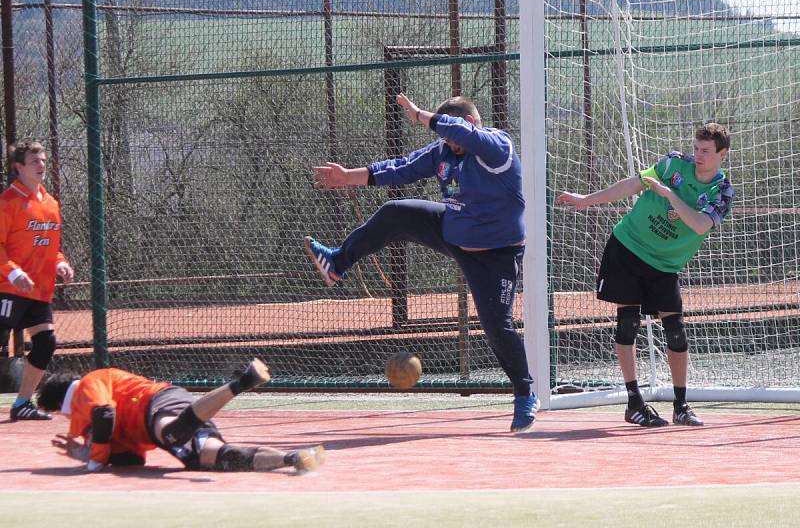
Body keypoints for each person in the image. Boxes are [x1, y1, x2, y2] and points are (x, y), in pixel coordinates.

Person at [304, 93, 537, 433]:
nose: (447, 143)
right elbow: (399, 168)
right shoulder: (442, 151)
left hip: (496, 254)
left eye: (450, 135)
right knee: (394, 212)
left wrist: (419, 116)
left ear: (469, 124)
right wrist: (347, 177)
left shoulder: (497, 148)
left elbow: (465, 135)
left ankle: (524, 394)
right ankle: (338, 262)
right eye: (443, 138)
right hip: (453, 231)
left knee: (496, 326)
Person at [557, 123, 734, 427]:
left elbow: (700, 225)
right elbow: (632, 185)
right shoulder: (673, 164)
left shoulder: (722, 191)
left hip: (665, 264)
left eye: (705, 151)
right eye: (696, 148)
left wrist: (670, 195)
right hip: (628, 247)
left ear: (723, 154)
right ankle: (634, 402)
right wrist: (587, 200)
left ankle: (681, 405)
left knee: (676, 330)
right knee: (628, 324)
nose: (698, 155)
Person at [36, 358, 326, 473]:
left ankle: (243, 381)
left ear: (61, 405)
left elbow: (104, 414)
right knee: (217, 458)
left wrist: (94, 461)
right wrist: (86, 453)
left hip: (158, 402)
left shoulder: (89, 384)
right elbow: (131, 459)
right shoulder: (90, 424)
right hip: (161, 425)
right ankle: (295, 458)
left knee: (173, 433)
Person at [1, 140, 74, 421]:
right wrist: (13, 272)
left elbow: (52, 247)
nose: (41, 165)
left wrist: (61, 263)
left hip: (38, 290)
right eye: (34, 161)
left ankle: (21, 404)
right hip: (7, 286)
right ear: (18, 167)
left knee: (45, 344)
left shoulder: (51, 204)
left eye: (43, 160)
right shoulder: (7, 203)